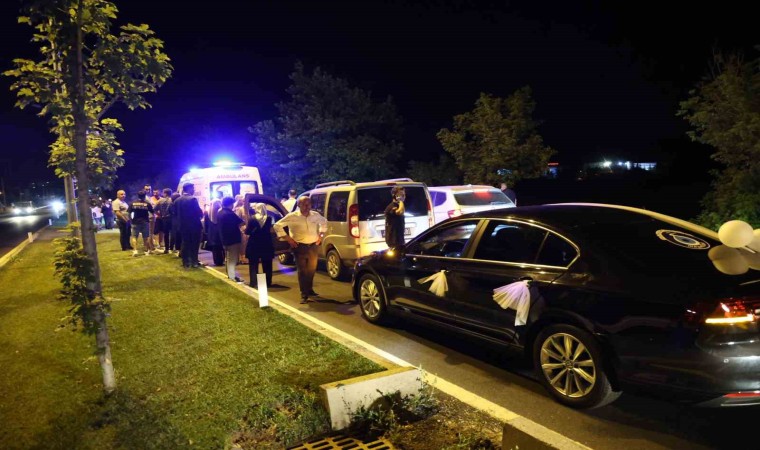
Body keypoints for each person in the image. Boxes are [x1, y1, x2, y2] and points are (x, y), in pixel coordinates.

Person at [273, 196, 327, 304]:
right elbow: (277, 225)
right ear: (299, 205)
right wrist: (288, 239)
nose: (307, 206)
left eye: (309, 204)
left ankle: (310, 290)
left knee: (311, 269)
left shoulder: (315, 215)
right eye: (304, 204)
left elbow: (324, 222)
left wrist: (320, 236)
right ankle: (304, 294)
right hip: (299, 247)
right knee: (302, 270)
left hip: (313, 246)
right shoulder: (293, 216)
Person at [174, 183, 204, 268]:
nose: (194, 190)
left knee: (185, 243)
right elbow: (198, 212)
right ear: (189, 189)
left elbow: (174, 212)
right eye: (193, 188)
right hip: (194, 225)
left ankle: (186, 262)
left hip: (182, 226)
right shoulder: (192, 199)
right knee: (195, 244)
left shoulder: (177, 200)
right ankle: (194, 261)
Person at [245, 202, 274, 289]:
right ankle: (267, 282)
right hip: (266, 243)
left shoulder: (252, 218)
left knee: (253, 264)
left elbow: (247, 231)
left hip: (254, 243)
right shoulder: (269, 218)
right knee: (267, 263)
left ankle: (253, 282)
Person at [217, 196, 245, 282]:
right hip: (232, 239)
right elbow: (241, 222)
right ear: (230, 204)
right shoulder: (230, 214)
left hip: (224, 238)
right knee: (232, 259)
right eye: (232, 204)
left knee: (228, 258)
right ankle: (232, 277)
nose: (233, 205)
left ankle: (230, 275)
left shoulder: (220, 212)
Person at [128, 190, 154, 256]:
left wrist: (130, 220)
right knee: (146, 237)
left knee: (134, 237)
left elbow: (129, 212)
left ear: (138, 196)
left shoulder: (133, 203)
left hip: (135, 221)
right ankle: (146, 251)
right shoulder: (147, 204)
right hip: (145, 221)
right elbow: (152, 212)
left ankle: (135, 250)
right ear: (144, 196)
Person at [156, 188, 174, 254]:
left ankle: (166, 248)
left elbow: (154, 209)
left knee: (166, 234)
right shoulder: (172, 200)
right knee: (172, 233)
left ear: (165, 193)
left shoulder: (160, 200)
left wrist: (159, 215)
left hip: (164, 218)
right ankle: (172, 247)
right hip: (171, 218)